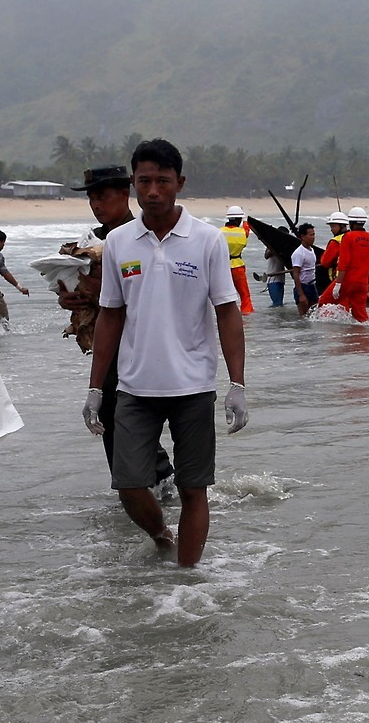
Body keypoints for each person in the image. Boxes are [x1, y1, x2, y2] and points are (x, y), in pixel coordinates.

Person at [83, 139, 247, 567]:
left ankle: (187, 583)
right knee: (128, 484)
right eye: (144, 181)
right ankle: (160, 535)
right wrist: (95, 389)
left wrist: (238, 384)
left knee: (194, 489)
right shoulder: (120, 242)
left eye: (162, 181)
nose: (153, 191)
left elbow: (227, 313)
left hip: (192, 385)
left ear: (180, 183)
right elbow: (110, 316)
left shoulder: (207, 240)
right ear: (134, 184)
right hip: (135, 387)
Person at [62, 165, 175, 497]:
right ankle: (144, 489)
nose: (96, 204)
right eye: (92, 198)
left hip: (140, 342)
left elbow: (153, 290)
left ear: (123, 194)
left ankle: (146, 488)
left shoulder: (143, 235)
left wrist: (99, 292)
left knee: (125, 417)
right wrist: (70, 298)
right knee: (115, 416)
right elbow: (82, 292)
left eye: (102, 196)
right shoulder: (93, 242)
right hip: (106, 343)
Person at [319, 206, 369, 322]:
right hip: (363, 283)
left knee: (323, 303)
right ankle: (362, 338)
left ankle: (334, 333)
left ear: (350, 222)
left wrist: (338, 284)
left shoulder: (347, 238)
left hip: (346, 281)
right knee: (361, 316)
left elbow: (343, 264)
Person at [220, 206, 254, 314]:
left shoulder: (219, 232)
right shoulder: (242, 232)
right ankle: (246, 317)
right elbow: (247, 229)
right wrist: (245, 220)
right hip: (237, 267)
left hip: (222, 267)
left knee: (223, 296)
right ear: (238, 220)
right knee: (245, 295)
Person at [290, 222, 320, 317]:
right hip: (303, 287)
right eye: (310, 235)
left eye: (314, 234)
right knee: (304, 317)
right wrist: (301, 294)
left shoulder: (312, 250)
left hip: (312, 286)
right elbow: (295, 274)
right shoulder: (299, 253)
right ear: (303, 236)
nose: (313, 237)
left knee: (314, 315)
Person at [316, 211, 348, 290]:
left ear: (342, 226)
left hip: (338, 279)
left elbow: (325, 262)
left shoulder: (336, 241)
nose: (331, 229)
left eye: (333, 226)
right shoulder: (353, 237)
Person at [263, 228, 288, 307]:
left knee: (279, 304)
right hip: (273, 280)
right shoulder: (271, 245)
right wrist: (277, 245)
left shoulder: (285, 247)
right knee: (277, 304)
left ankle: (278, 319)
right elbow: (266, 255)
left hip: (280, 279)